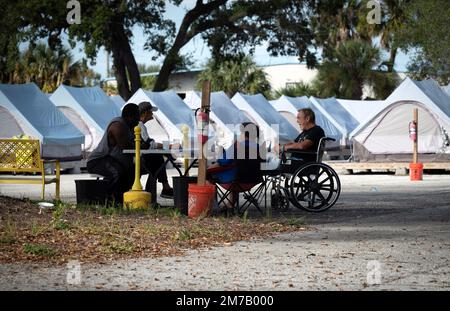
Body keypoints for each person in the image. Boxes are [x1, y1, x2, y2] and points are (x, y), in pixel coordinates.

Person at [87, 103, 140, 204]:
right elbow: (126, 146)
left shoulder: (130, 126)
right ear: (129, 116)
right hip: (98, 160)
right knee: (116, 172)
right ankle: (106, 200)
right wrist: (140, 145)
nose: (138, 121)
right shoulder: (118, 126)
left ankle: (121, 199)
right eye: (137, 118)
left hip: (113, 160)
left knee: (133, 171)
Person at [208, 122, 263, 211]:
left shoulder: (237, 146)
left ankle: (214, 207)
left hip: (234, 182)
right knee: (236, 173)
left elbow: (221, 163)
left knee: (208, 177)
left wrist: (207, 170)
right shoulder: (260, 148)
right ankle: (230, 205)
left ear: (243, 134)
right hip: (253, 180)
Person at [138, 101, 174, 198]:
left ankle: (163, 188)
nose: (152, 114)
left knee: (157, 160)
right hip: (137, 160)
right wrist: (168, 146)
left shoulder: (140, 125)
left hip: (137, 157)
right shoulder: (140, 125)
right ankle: (164, 188)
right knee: (157, 161)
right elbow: (149, 144)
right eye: (151, 112)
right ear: (145, 113)